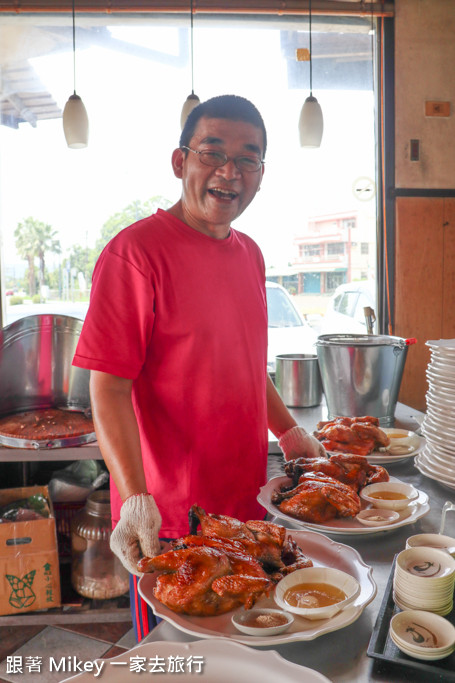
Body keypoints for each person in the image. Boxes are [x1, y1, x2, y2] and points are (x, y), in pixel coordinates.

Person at [72, 94, 324, 640]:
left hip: (247, 506)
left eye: (248, 158)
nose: (229, 172)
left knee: (253, 647)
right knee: (180, 660)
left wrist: (288, 431)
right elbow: (109, 387)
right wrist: (135, 497)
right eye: (212, 152)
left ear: (261, 174)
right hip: (170, 520)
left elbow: (246, 364)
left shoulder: (251, 254)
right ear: (180, 161)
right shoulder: (135, 253)